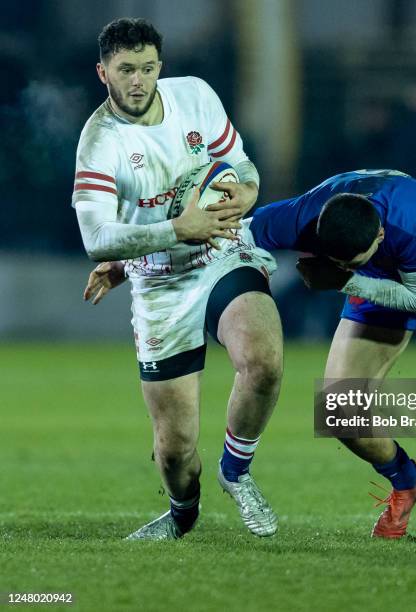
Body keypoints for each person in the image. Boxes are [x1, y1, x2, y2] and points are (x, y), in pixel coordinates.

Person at [88, 169, 416, 542]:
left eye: (354, 260)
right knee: (341, 411)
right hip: (376, 276)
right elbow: (214, 235)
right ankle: (407, 479)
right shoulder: (299, 218)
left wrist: (346, 282)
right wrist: (126, 264)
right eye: (338, 262)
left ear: (378, 235)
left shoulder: (411, 223)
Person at [75, 18, 283, 541]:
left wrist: (249, 192)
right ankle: (182, 512)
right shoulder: (100, 142)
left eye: (147, 68)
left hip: (220, 252)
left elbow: (240, 164)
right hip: (159, 282)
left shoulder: (194, 96)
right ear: (103, 73)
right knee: (174, 450)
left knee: (263, 360)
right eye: (126, 70)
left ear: (160, 66)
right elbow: (96, 237)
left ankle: (235, 471)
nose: (138, 80)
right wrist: (173, 230)